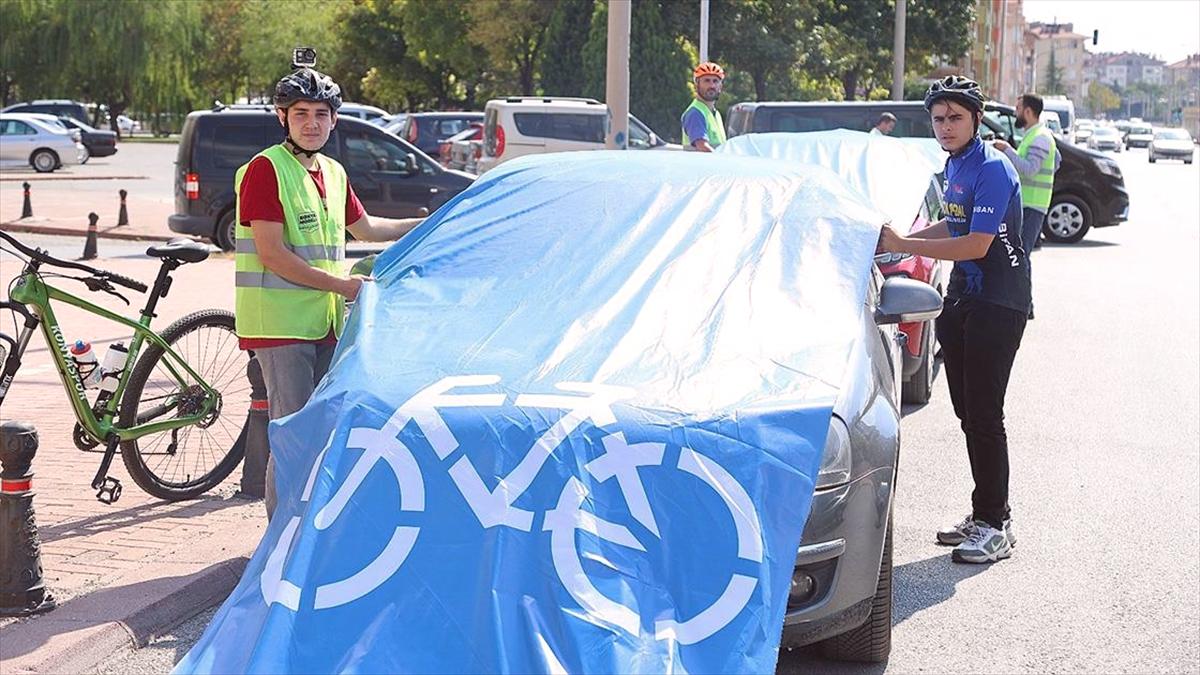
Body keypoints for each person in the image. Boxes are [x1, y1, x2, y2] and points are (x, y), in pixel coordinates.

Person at [235, 67, 425, 518]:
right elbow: (272, 254)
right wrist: (343, 286)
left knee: (318, 431)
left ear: (334, 120)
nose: (312, 123)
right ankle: (280, 542)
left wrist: (431, 223)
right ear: (283, 117)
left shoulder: (332, 172)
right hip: (279, 325)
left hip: (323, 323)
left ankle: (304, 533)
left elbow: (369, 228)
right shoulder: (266, 169)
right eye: (301, 113)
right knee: (294, 433)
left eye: (322, 114)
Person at [877, 75, 1030, 564]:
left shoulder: (992, 167)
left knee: (985, 415)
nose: (945, 126)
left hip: (1000, 302)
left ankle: (996, 524)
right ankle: (983, 512)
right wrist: (910, 234)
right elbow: (957, 224)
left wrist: (905, 245)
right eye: (939, 119)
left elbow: (976, 244)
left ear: (976, 119)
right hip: (964, 296)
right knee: (968, 414)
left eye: (955, 118)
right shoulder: (956, 164)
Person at [993, 92, 1060, 319]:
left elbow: (1030, 169)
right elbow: (1057, 161)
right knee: (1019, 254)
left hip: (1032, 205)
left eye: (1018, 108)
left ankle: (1023, 304)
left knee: (1020, 255)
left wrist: (1006, 150)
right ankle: (1021, 303)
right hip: (1028, 204)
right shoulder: (1036, 135)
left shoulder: (1040, 137)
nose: (1015, 112)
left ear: (1029, 111)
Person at [681, 62, 726, 152]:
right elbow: (702, 147)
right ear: (697, 85)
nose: (711, 86)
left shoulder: (716, 114)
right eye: (707, 81)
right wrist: (723, 161)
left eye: (715, 81)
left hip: (714, 166)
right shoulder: (695, 113)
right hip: (700, 166)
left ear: (720, 86)